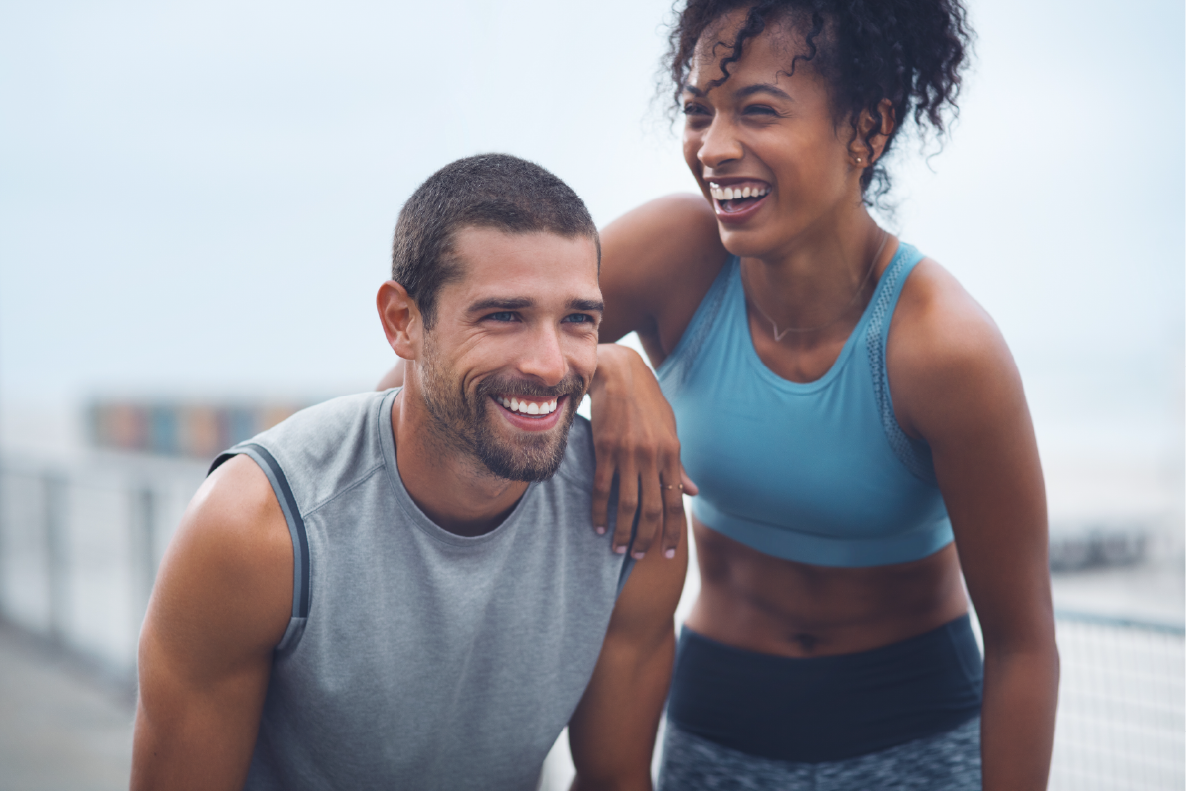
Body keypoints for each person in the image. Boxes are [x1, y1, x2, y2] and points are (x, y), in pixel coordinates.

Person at [585, 2, 1059, 789]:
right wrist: (609, 366)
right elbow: (466, 352)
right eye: (698, 110)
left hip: (912, 740)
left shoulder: (944, 350)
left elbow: (1024, 645)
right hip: (716, 727)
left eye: (758, 111)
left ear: (867, 129)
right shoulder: (674, 257)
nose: (713, 146)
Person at [130, 154, 687, 790]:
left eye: (578, 320)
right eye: (503, 315)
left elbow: (616, 779)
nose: (548, 363)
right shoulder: (258, 526)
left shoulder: (632, 512)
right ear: (403, 322)